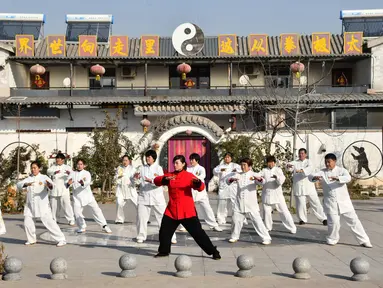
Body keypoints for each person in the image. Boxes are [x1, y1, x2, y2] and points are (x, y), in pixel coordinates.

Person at [153, 155, 221, 260]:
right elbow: (156, 181)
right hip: (172, 211)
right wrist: (164, 179)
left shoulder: (188, 176)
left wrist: (198, 183)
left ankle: (213, 251)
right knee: (164, 231)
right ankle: (163, 251)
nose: (175, 165)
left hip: (187, 211)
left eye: (177, 163)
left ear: (183, 164)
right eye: (174, 163)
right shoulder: (170, 175)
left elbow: (201, 187)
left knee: (198, 234)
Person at [309, 153, 372, 247]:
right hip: (330, 202)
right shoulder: (322, 172)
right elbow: (311, 176)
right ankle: (332, 239)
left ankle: (364, 240)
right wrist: (315, 177)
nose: (327, 164)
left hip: (344, 202)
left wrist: (338, 178)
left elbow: (348, 178)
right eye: (326, 162)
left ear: (334, 161)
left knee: (353, 221)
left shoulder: (341, 170)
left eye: (329, 162)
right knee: (333, 223)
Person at [17, 161, 66, 247]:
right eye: (32, 168)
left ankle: (61, 239)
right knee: (28, 222)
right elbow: (18, 185)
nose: (33, 169)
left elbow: (52, 186)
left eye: (35, 168)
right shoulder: (29, 178)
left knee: (49, 223)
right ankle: (31, 239)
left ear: (39, 168)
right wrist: (26, 184)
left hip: (42, 205)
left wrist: (48, 185)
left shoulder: (44, 177)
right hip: (30, 205)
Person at [226, 158, 272, 245]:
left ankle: (266, 238)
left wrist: (258, 179)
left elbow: (263, 182)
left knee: (257, 221)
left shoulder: (254, 174)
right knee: (236, 220)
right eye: (242, 165)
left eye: (245, 165)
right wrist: (231, 180)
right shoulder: (238, 174)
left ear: (249, 166)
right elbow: (227, 181)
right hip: (239, 202)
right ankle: (234, 236)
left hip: (251, 204)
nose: (243, 167)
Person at [135, 150, 176, 244]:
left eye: (149, 157)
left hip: (157, 197)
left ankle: (170, 237)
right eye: (146, 157)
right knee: (141, 217)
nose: (147, 158)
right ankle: (141, 236)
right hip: (144, 196)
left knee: (163, 218)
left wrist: (152, 181)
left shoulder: (158, 168)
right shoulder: (141, 168)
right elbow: (136, 181)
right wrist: (135, 178)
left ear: (153, 158)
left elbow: (161, 181)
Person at [67, 159, 112, 234]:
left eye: (81, 164)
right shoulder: (72, 173)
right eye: (78, 164)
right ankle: (82, 226)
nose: (79, 166)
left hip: (88, 197)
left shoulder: (87, 173)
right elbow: (67, 183)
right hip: (77, 197)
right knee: (77, 213)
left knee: (96, 211)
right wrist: (68, 183)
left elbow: (87, 182)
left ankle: (104, 225)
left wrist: (82, 183)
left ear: (84, 165)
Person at [287, 148, 327, 226]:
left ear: (305, 154)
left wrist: (302, 170)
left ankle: (323, 218)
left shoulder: (309, 162)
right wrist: (288, 166)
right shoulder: (295, 162)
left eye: (302, 153)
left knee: (315, 202)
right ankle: (302, 219)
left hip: (309, 185)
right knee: (300, 204)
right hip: (298, 186)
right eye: (299, 153)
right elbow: (289, 167)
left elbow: (310, 169)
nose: (301, 155)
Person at [183, 153, 222, 232]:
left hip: (201, 193)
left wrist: (191, 178)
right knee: (187, 209)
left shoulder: (201, 168)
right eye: (190, 159)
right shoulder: (187, 169)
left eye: (192, 159)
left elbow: (201, 177)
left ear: (197, 160)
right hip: (190, 193)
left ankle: (213, 225)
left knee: (207, 209)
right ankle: (185, 225)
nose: (191, 161)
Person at [259, 155, 297, 234]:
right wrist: (258, 178)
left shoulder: (278, 170)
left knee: (284, 211)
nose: (270, 164)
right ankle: (267, 227)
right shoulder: (264, 170)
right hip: (267, 194)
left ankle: (292, 227)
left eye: (271, 162)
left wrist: (277, 178)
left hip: (277, 194)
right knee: (266, 212)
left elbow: (282, 180)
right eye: (268, 162)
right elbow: (259, 177)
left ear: (274, 163)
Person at [213, 152, 242, 224]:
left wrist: (236, 170)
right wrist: (222, 170)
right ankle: (221, 219)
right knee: (222, 203)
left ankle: (235, 218)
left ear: (231, 158)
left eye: (228, 157)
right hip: (224, 186)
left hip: (233, 187)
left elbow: (242, 170)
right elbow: (215, 171)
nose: (227, 158)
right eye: (225, 157)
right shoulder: (221, 166)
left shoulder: (235, 165)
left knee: (234, 203)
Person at [47, 153, 75, 226]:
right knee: (54, 206)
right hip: (54, 189)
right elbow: (48, 171)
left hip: (64, 188)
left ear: (63, 160)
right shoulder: (53, 167)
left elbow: (72, 175)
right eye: (57, 159)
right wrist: (54, 172)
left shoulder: (67, 167)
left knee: (66, 205)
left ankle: (71, 219)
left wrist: (69, 173)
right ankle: (54, 219)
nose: (57, 160)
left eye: (59, 159)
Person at [114, 155, 138, 224]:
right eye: (123, 160)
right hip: (121, 189)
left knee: (138, 204)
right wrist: (118, 176)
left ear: (129, 161)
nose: (125, 162)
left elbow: (135, 179)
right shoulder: (119, 168)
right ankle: (119, 219)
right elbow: (115, 178)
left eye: (126, 160)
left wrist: (135, 178)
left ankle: (143, 218)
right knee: (119, 203)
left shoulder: (133, 169)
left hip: (130, 189)